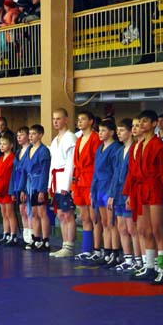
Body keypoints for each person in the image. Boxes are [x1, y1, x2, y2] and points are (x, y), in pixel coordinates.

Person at [124, 110, 163, 284]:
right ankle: (149, 266)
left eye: (145, 121)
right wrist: (129, 194)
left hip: (155, 189)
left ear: (154, 124)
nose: (142, 124)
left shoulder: (160, 146)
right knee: (145, 230)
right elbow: (131, 172)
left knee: (158, 230)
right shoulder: (137, 146)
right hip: (139, 190)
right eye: (140, 121)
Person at [108, 118, 142, 272]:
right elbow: (115, 175)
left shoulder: (135, 149)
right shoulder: (119, 151)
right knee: (121, 226)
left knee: (132, 228)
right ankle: (127, 258)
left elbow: (133, 175)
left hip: (129, 192)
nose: (118, 133)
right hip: (118, 192)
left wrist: (130, 194)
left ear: (130, 132)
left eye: (122, 130)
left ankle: (138, 259)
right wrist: (111, 194)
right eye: (118, 130)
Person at [90, 120, 122, 267]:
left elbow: (116, 173)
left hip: (109, 187)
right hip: (99, 187)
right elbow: (95, 171)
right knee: (104, 222)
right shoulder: (100, 148)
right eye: (99, 130)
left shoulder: (116, 149)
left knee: (112, 222)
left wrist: (112, 193)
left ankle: (115, 253)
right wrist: (92, 190)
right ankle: (107, 251)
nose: (100, 133)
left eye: (103, 130)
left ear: (112, 132)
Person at [72, 111, 102, 260]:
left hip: (90, 180)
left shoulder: (96, 138)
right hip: (79, 181)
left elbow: (98, 163)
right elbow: (75, 163)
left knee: (94, 217)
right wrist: (73, 184)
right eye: (78, 119)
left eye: (83, 119)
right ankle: (86, 249)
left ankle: (97, 249)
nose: (79, 122)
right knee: (84, 217)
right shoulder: (79, 139)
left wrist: (95, 185)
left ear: (91, 121)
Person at [47, 108, 77, 257]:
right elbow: (53, 163)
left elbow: (71, 163)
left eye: (58, 119)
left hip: (65, 179)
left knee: (68, 214)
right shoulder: (55, 139)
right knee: (60, 214)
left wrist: (67, 185)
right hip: (56, 180)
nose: (55, 122)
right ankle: (64, 244)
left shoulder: (70, 138)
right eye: (54, 119)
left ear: (66, 119)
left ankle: (69, 246)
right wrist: (49, 184)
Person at [21, 124, 51, 250]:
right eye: (30, 134)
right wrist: (23, 189)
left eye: (34, 134)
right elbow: (23, 169)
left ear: (40, 135)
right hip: (30, 184)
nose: (31, 136)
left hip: (39, 183)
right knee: (33, 213)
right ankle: (36, 238)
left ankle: (45, 240)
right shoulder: (29, 149)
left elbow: (45, 171)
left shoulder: (44, 151)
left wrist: (42, 190)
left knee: (42, 212)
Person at [0, 132, 18, 244]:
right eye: (0, 144)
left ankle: (13, 235)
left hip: (6, 190)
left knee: (10, 213)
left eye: (4, 144)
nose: (1, 146)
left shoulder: (12, 158)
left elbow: (8, 176)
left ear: (11, 145)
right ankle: (6, 233)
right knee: (3, 213)